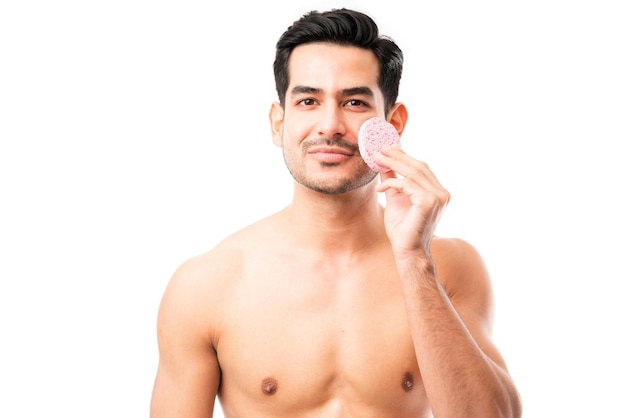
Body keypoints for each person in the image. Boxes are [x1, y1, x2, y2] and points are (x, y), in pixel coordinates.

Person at [150, 7, 522, 418]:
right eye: (308, 100)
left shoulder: (450, 267)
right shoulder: (206, 285)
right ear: (279, 123)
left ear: (393, 122)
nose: (330, 125)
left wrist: (414, 260)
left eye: (355, 102)